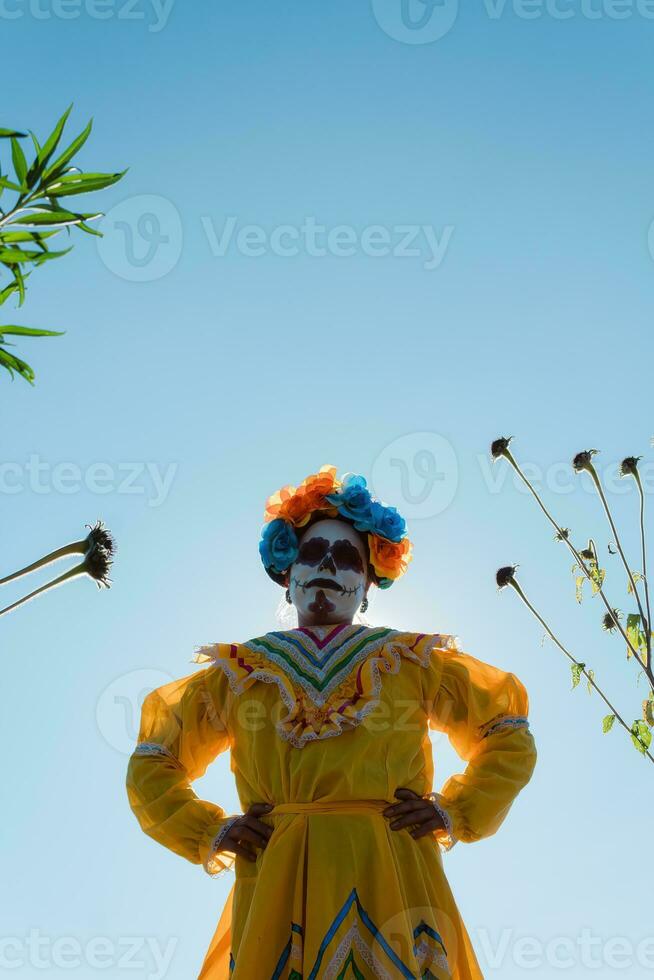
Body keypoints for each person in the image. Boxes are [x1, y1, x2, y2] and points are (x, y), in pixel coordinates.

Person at [126, 465, 537, 979]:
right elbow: (153, 760)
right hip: (277, 871)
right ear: (287, 574)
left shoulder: (409, 659)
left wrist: (459, 811)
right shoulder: (239, 672)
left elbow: (506, 731)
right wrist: (210, 829)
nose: (326, 567)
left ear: (367, 583)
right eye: (310, 554)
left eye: (347, 558)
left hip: (390, 865)